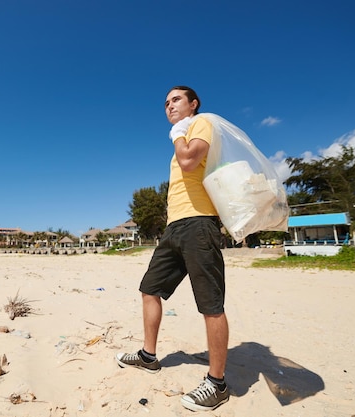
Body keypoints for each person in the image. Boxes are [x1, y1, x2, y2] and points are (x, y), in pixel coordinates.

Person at [115, 86, 230, 412]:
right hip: (174, 228)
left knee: (211, 305)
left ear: (193, 104)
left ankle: (217, 384)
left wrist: (178, 135)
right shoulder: (183, 133)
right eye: (165, 103)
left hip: (199, 225)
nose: (169, 106)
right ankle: (149, 357)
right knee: (149, 289)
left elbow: (189, 160)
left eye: (176, 100)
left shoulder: (200, 124)